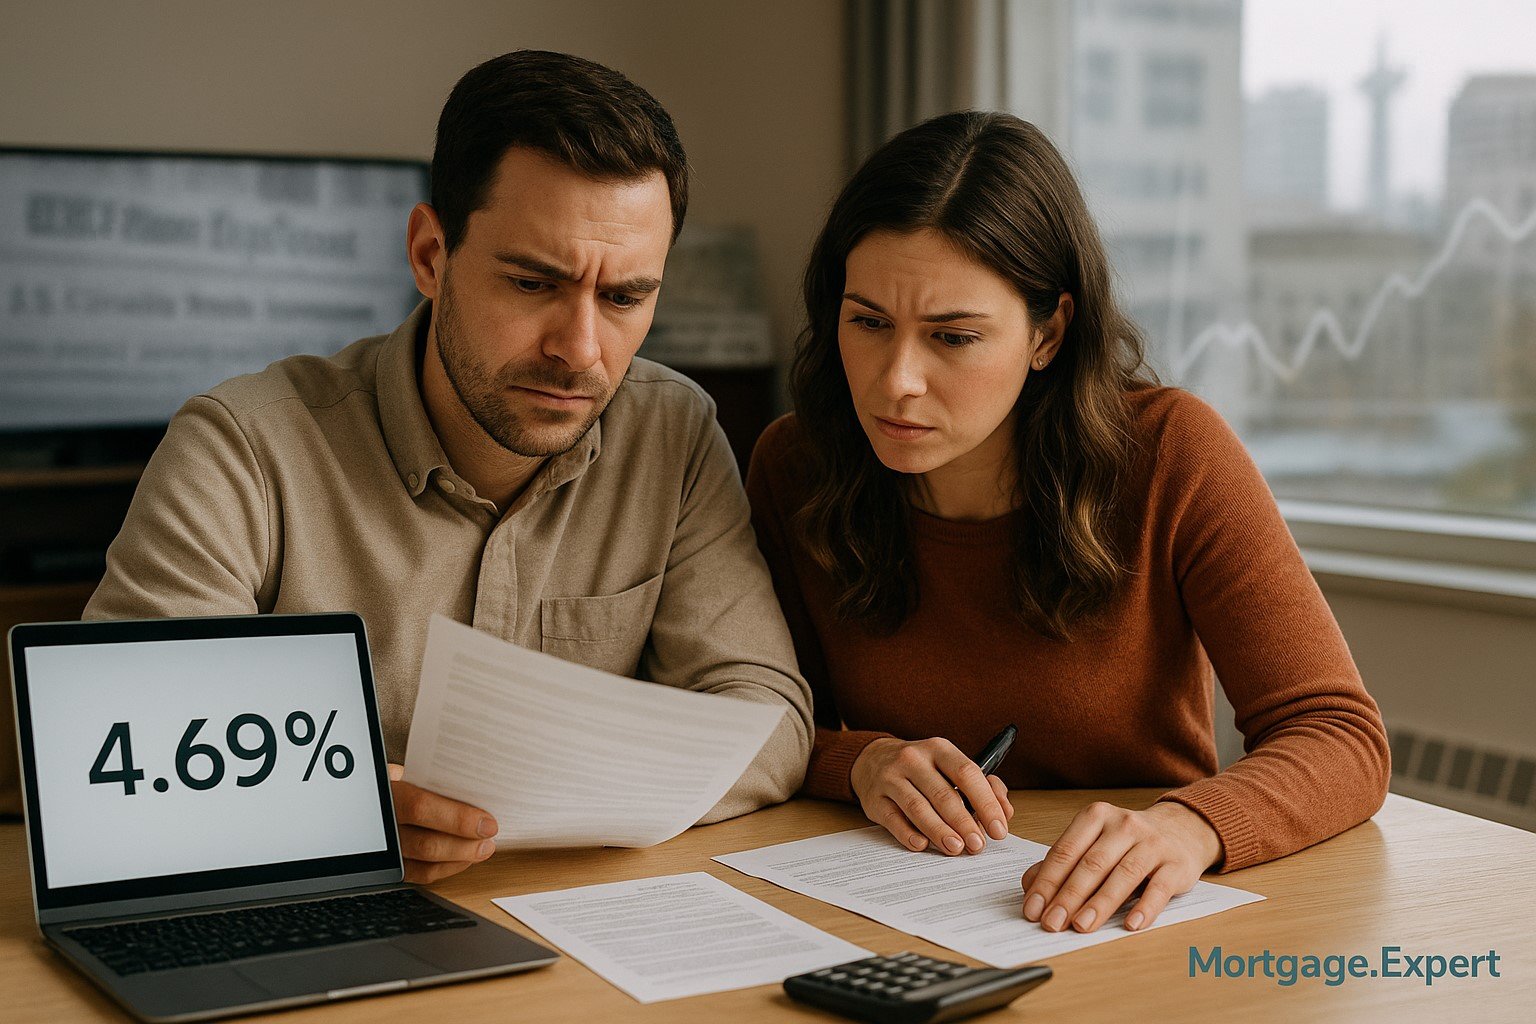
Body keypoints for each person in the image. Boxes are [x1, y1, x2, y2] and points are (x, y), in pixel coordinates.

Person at [84, 50, 812, 882]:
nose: (580, 351)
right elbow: (117, 759)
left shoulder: (673, 435)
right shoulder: (242, 449)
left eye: (623, 298)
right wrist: (327, 816)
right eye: (534, 282)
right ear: (430, 255)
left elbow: (768, 718)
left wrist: (535, 807)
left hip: (576, 936)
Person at [746, 110, 1390, 936]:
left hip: (1135, 919)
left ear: (1048, 332)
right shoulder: (796, 463)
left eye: (953, 337)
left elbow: (1340, 736)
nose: (896, 380)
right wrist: (860, 761)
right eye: (868, 322)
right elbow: (763, 716)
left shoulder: (1170, 453)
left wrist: (1189, 827)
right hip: (892, 907)